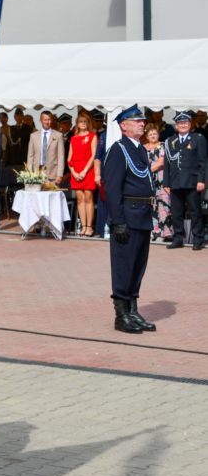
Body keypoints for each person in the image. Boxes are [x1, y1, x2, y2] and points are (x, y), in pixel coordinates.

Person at [102, 104, 155, 334]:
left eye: (142, 120)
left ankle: (133, 310)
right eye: (137, 121)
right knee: (124, 266)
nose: (142, 124)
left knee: (137, 266)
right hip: (128, 216)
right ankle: (121, 315)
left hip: (142, 215)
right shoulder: (118, 150)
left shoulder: (139, 149)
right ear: (124, 126)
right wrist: (118, 221)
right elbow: (112, 189)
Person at [163, 110, 207, 250]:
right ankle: (178, 238)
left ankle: (198, 239)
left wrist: (202, 180)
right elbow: (167, 163)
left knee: (195, 212)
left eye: (185, 123)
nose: (183, 125)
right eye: (180, 123)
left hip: (192, 182)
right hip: (175, 181)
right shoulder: (170, 141)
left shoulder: (198, 139)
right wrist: (166, 182)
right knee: (176, 213)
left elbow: (203, 162)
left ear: (190, 124)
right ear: (176, 125)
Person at [67, 111, 98, 236]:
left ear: (88, 123)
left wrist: (85, 171)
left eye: (85, 122)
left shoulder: (92, 136)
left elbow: (93, 155)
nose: (83, 123)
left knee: (88, 197)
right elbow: (69, 158)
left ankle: (89, 227)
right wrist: (73, 172)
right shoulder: (73, 138)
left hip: (88, 170)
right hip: (76, 170)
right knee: (80, 198)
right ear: (77, 124)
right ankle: (83, 226)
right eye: (81, 122)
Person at [143, 123, 172, 242]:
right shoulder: (142, 147)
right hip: (147, 181)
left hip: (161, 179)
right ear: (146, 136)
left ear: (158, 134)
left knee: (163, 205)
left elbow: (161, 163)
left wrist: (145, 172)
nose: (153, 136)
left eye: (155, 133)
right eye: (150, 134)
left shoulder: (163, 145)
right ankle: (153, 232)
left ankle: (164, 233)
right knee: (150, 205)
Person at [27, 111, 64, 184]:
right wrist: (29, 173)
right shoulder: (33, 136)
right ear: (40, 120)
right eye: (45, 120)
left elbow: (61, 156)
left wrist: (59, 174)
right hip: (36, 174)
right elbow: (30, 156)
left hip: (52, 174)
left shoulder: (58, 135)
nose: (47, 122)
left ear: (52, 120)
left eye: (49, 119)